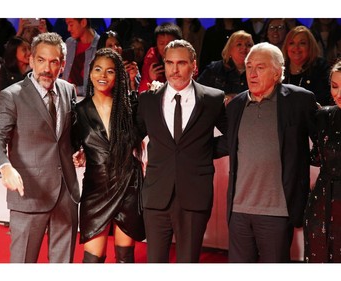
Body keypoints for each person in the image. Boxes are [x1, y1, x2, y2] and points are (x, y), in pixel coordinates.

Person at [0, 32, 80, 263]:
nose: (47, 68)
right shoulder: (11, 96)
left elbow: (69, 135)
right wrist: (4, 166)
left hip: (66, 195)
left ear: (62, 64)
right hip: (29, 195)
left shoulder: (68, 90)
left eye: (54, 61)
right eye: (41, 60)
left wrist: (81, 149)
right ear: (31, 60)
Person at [224, 42, 318, 262]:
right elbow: (226, 145)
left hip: (277, 211)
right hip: (238, 210)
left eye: (260, 67)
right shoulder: (236, 104)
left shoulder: (299, 100)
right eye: (249, 67)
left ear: (277, 73)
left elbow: (323, 141)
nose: (252, 73)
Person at [136, 39, 227, 262]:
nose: (174, 70)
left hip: (194, 196)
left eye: (181, 63)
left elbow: (231, 137)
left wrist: (205, 150)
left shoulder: (213, 99)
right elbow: (133, 136)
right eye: (169, 63)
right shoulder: (147, 100)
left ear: (194, 65)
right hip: (156, 196)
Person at [72, 48, 145, 263]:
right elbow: (72, 144)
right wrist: (77, 153)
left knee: (124, 259)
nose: (103, 76)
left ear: (118, 76)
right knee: (92, 260)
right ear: (90, 73)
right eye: (98, 69)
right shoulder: (78, 110)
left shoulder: (131, 107)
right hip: (96, 188)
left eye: (110, 71)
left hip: (128, 186)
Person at [304, 59, 341, 262]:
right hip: (322, 202)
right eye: (334, 86)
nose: (338, 94)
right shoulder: (324, 116)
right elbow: (316, 158)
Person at [197, 30, 253, 104]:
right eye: (239, 44)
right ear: (229, 49)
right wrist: (221, 99)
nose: (244, 48)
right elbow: (197, 93)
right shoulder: (214, 69)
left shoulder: (258, 71)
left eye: (248, 45)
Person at [282, 25, 332, 106]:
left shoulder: (320, 67)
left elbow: (325, 97)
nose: (296, 47)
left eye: (302, 43)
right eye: (291, 43)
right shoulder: (280, 69)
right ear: (286, 47)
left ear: (310, 46)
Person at [138, 22, 182, 93]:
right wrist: (150, 79)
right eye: (161, 43)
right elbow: (142, 92)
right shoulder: (152, 56)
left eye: (169, 43)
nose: (166, 47)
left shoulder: (187, 56)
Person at [62, 18, 100, 97]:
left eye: (71, 24)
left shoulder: (101, 45)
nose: (68, 29)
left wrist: (75, 90)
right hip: (65, 96)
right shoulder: (69, 43)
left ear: (83, 22)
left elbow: (101, 85)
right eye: (67, 25)